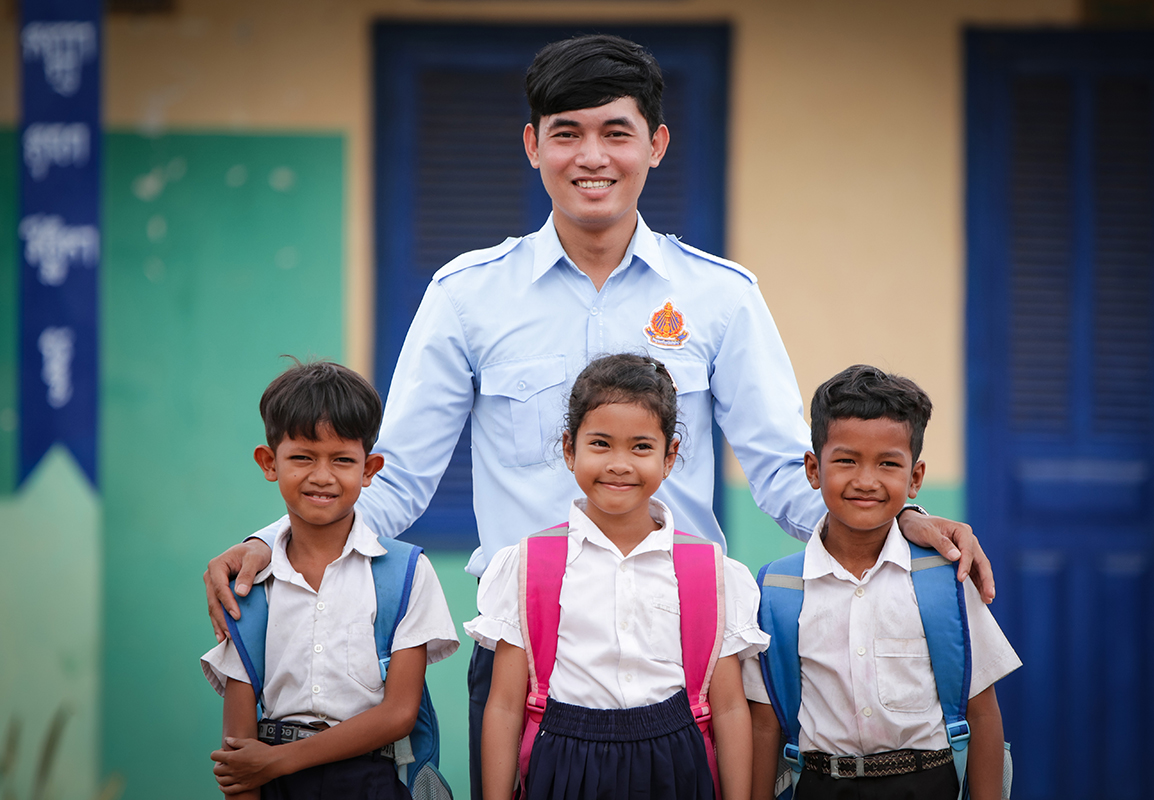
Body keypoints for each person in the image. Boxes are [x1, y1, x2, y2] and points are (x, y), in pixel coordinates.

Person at [203, 34, 995, 799]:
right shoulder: (467, 295)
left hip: (686, 658)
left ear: (655, 144)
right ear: (532, 145)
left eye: (616, 132)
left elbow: (792, 479)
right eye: (566, 134)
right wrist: (269, 546)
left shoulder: (722, 297)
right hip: (525, 655)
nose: (591, 157)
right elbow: (396, 479)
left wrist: (905, 522)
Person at [470, 353, 762, 800]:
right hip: (564, 764)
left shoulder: (712, 572)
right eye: (601, 444)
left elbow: (727, 708)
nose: (620, 464)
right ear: (570, 449)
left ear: (670, 456)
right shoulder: (527, 565)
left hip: (675, 763)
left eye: (641, 446)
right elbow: (506, 705)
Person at [746, 365, 1019, 800]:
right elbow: (764, 723)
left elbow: (982, 713)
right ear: (814, 470)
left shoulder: (946, 579)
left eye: (888, 463)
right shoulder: (777, 590)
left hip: (928, 783)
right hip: (819, 785)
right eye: (846, 460)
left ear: (915, 478)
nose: (866, 480)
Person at [200, 359, 459, 799]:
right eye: (302, 457)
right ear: (269, 462)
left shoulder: (406, 573)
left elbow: (399, 714)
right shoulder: (247, 584)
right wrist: (263, 768)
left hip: (370, 781)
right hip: (275, 784)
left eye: (342, 459)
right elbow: (238, 750)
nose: (322, 476)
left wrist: (277, 760)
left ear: (369, 469)